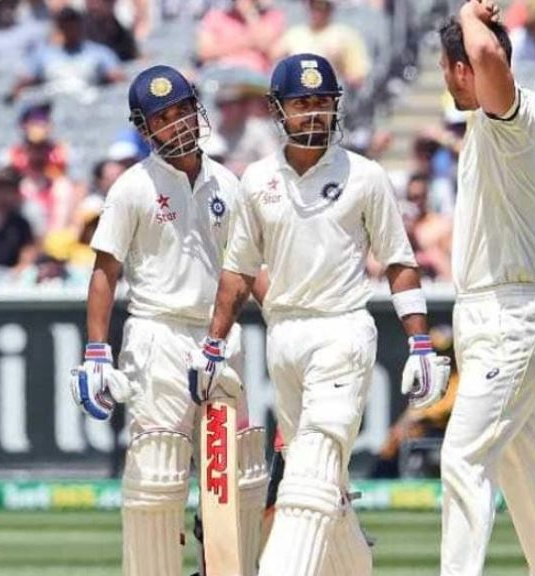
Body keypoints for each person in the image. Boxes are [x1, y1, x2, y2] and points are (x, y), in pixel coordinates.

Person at [191, 53, 450, 576]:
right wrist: (213, 345)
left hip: (342, 330)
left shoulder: (365, 176)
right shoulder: (257, 179)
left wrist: (420, 343)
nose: (313, 112)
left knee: (308, 471)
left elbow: (398, 262)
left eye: (323, 102)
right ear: (278, 110)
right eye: (302, 102)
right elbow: (239, 271)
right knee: (325, 481)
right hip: (284, 335)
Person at [67, 64, 267, 576]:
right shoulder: (133, 187)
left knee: (237, 477)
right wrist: (96, 353)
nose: (176, 123)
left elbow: (249, 269)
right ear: (144, 128)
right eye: (163, 117)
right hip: (158, 334)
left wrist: (287, 322)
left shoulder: (228, 183)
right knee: (158, 477)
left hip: (219, 338)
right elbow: (105, 272)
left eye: (182, 110)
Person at [438, 2, 535, 575]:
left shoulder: (515, 123)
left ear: (461, 68)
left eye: (447, 67)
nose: (445, 80)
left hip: (509, 316)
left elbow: (489, 53)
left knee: (462, 458)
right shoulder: (484, 127)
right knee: (523, 471)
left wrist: (469, 15)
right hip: (491, 315)